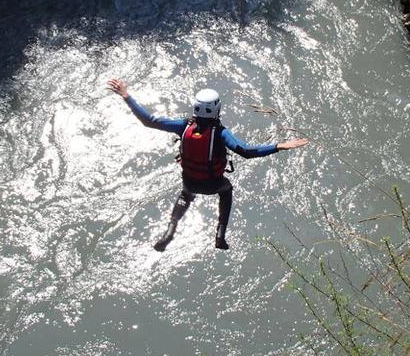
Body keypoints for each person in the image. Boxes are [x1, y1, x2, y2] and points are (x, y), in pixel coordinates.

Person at [108, 79, 308, 251]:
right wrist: (280, 145)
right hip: (214, 184)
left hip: (190, 181)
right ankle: (220, 235)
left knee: (185, 194)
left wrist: (126, 95)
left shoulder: (183, 126)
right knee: (227, 189)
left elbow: (149, 120)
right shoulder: (220, 133)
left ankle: (170, 231)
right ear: (217, 109)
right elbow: (246, 151)